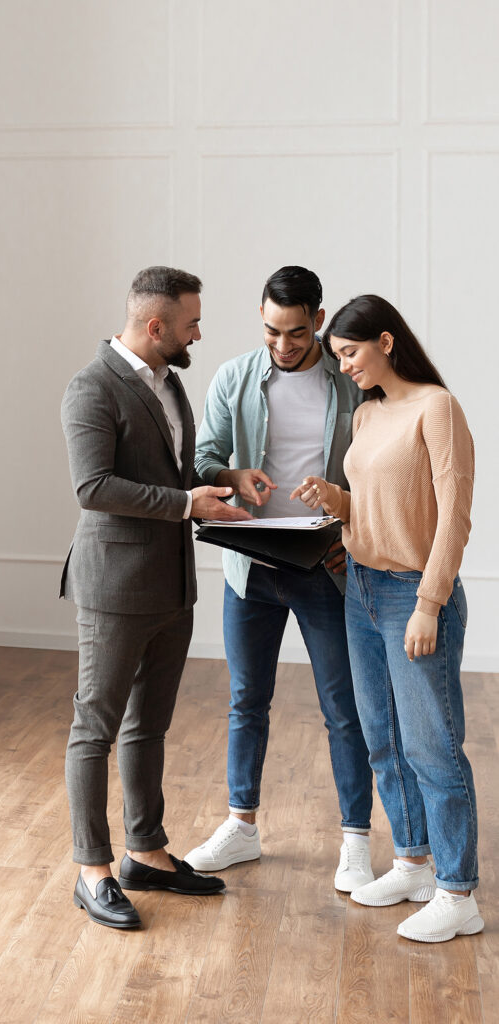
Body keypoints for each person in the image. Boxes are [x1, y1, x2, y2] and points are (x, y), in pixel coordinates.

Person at [60, 266, 251, 930]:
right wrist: (183, 504)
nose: (199, 331)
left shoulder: (171, 383)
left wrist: (220, 480)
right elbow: (94, 488)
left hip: (172, 583)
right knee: (96, 727)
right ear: (154, 325)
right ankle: (93, 870)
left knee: (150, 725)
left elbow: (177, 472)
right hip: (114, 587)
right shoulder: (90, 389)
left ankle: (146, 850)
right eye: (191, 322)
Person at [292, 294, 483, 943]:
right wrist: (334, 498)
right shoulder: (370, 414)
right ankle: (414, 862)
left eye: (349, 352)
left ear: (386, 341)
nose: (343, 366)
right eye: (338, 357)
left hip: (411, 593)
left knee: (433, 746)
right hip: (360, 588)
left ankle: (458, 893)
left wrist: (430, 603)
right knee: (382, 738)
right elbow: (373, 503)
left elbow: (453, 515)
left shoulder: (438, 408)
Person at [186, 266, 374, 891]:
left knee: (344, 709)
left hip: (327, 566)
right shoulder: (234, 377)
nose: (283, 346)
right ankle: (241, 825)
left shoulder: (351, 384)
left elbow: (379, 474)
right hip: (252, 566)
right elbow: (204, 459)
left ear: (318, 320)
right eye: (271, 333)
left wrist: (353, 531)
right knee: (247, 701)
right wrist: (235, 475)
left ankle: (356, 841)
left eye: (295, 333)